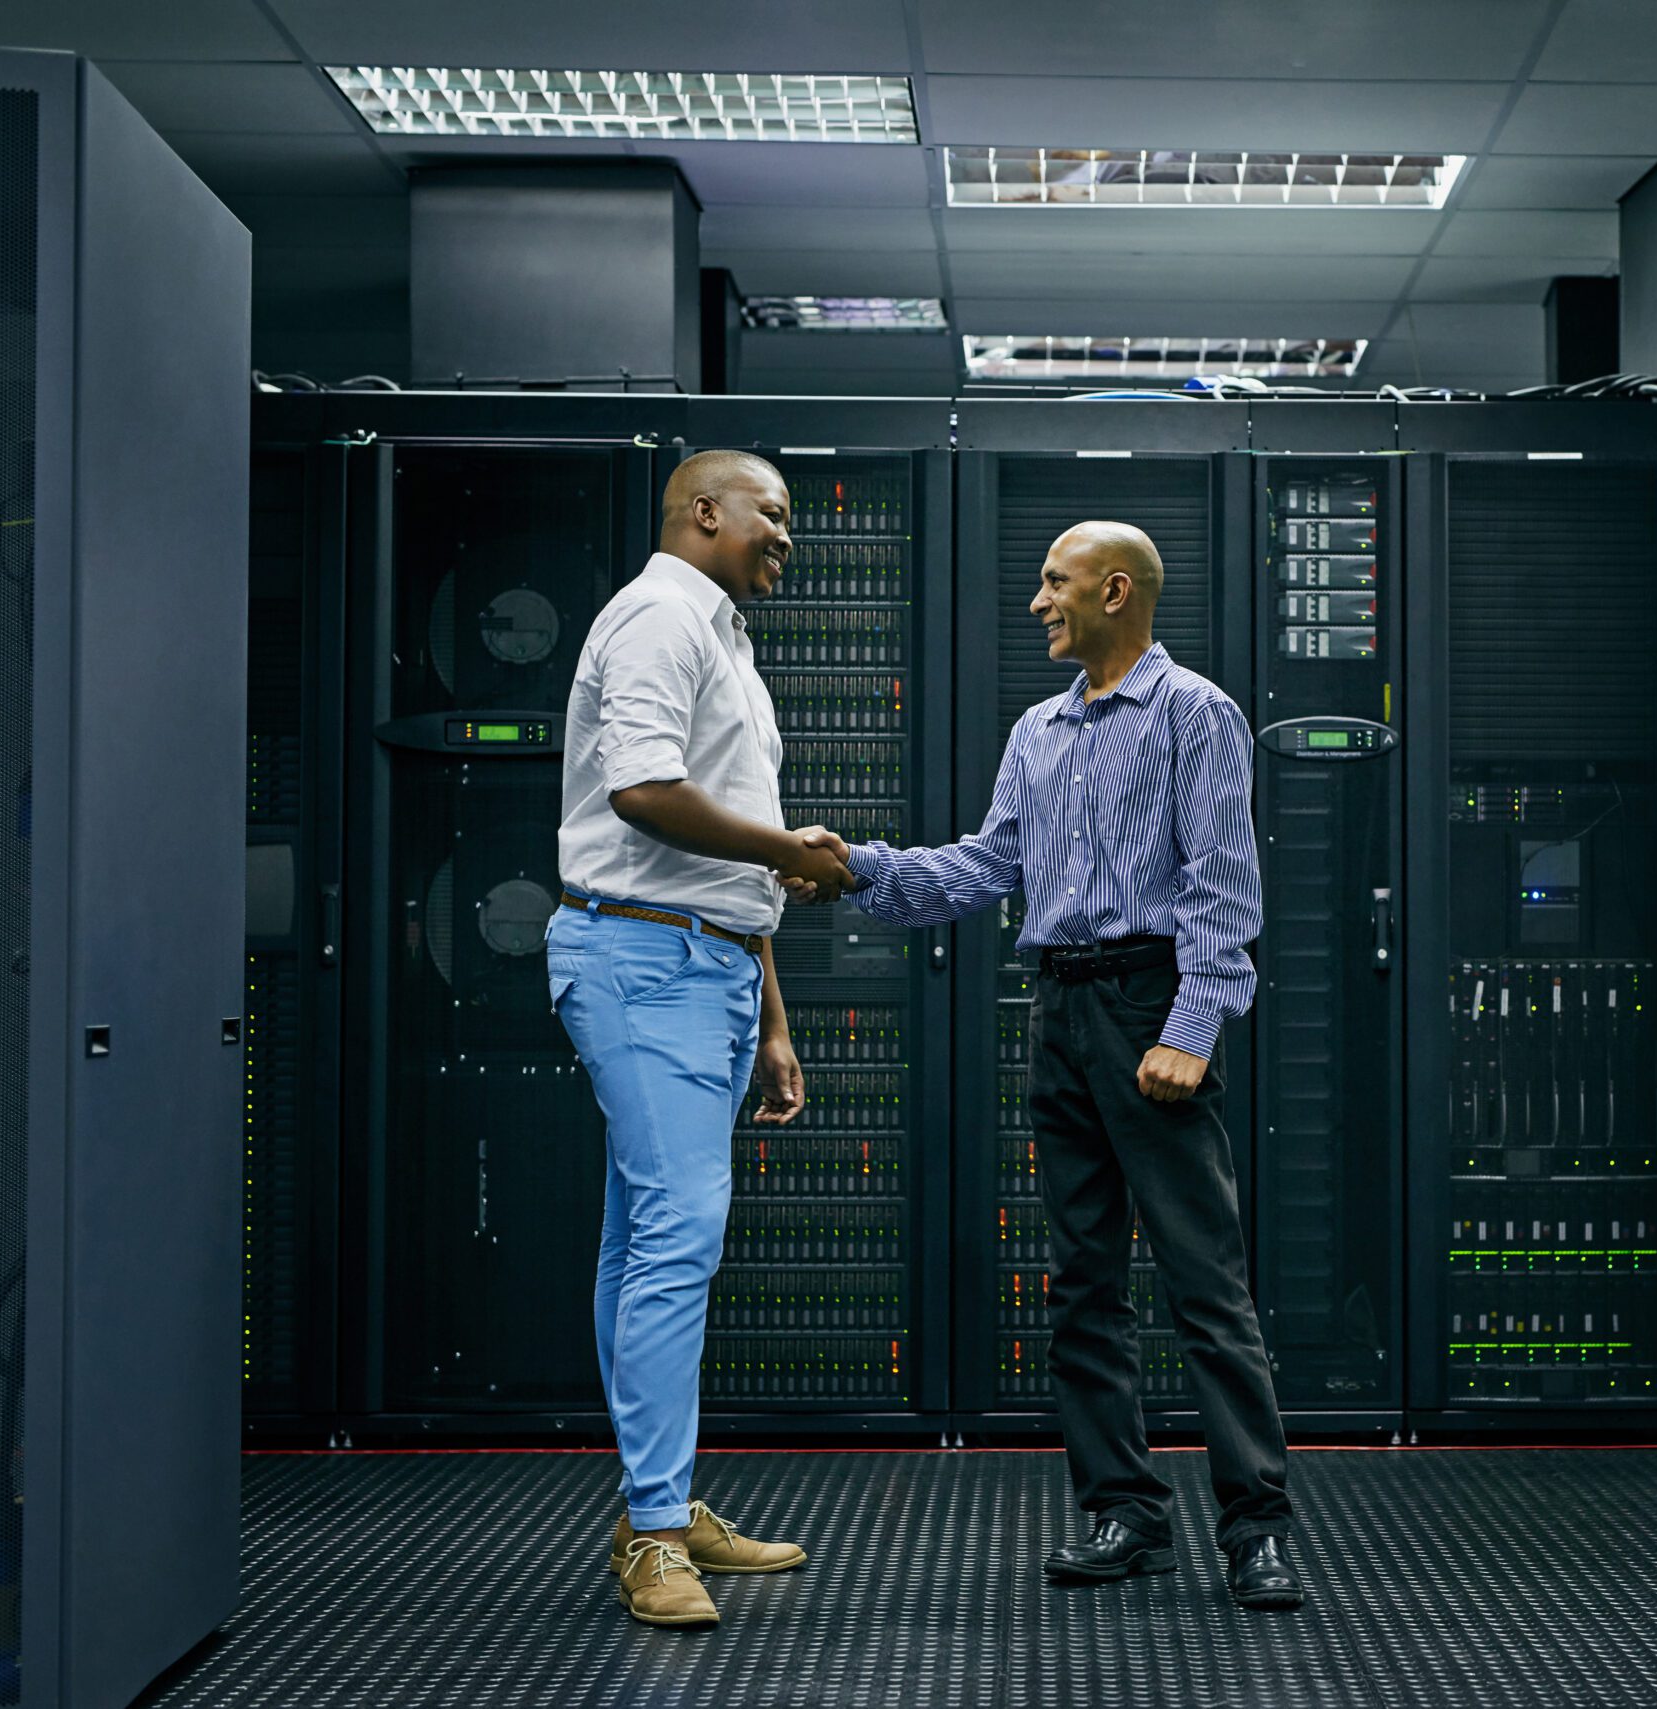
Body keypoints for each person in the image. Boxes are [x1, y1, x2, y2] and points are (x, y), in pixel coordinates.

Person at [789, 520, 1304, 1611]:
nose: (1037, 602)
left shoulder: (1195, 715)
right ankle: (1124, 1512)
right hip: (1060, 1005)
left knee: (1205, 1284)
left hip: (1146, 1000)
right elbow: (987, 863)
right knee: (1082, 1283)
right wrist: (860, 866)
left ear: (1116, 591)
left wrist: (1193, 1025)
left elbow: (1223, 889)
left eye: (1053, 581)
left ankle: (1257, 1526)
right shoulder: (1038, 728)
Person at [546, 449, 853, 1628]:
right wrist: (785, 851)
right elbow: (643, 791)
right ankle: (656, 1529)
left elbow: (729, 852)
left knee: (644, 1236)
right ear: (704, 510)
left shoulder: (723, 637)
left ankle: (653, 1503)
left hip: (705, 962)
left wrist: (772, 1015)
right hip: (638, 957)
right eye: (772, 514)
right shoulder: (656, 619)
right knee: (678, 1231)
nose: (786, 534)